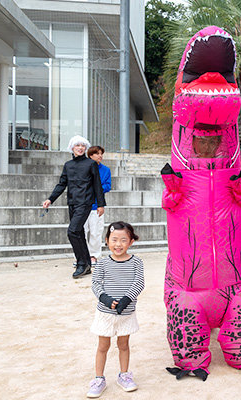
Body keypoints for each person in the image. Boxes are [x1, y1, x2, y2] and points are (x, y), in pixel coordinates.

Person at [87, 221, 144, 398]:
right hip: (105, 313)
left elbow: (139, 283)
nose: (118, 244)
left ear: (131, 242)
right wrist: (105, 299)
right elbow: (96, 284)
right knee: (103, 346)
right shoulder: (103, 263)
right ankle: (99, 378)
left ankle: (124, 375)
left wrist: (126, 300)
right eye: (114, 240)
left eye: (123, 240)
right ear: (107, 240)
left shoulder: (136, 262)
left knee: (124, 345)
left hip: (126, 312)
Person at [42, 135, 105, 279]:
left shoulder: (91, 164)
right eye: (78, 145)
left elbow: (97, 185)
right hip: (72, 202)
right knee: (79, 233)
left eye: (83, 145)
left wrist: (101, 204)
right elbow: (62, 184)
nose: (81, 148)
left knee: (72, 231)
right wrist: (50, 199)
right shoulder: (68, 165)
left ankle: (81, 263)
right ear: (72, 148)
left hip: (85, 203)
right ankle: (87, 265)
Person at [84, 146, 112, 264]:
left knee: (96, 232)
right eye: (97, 154)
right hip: (83, 205)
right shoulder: (84, 168)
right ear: (90, 155)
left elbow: (107, 186)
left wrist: (96, 188)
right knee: (81, 232)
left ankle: (94, 256)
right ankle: (82, 256)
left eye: (101, 153)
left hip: (97, 205)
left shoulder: (106, 170)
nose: (100, 156)